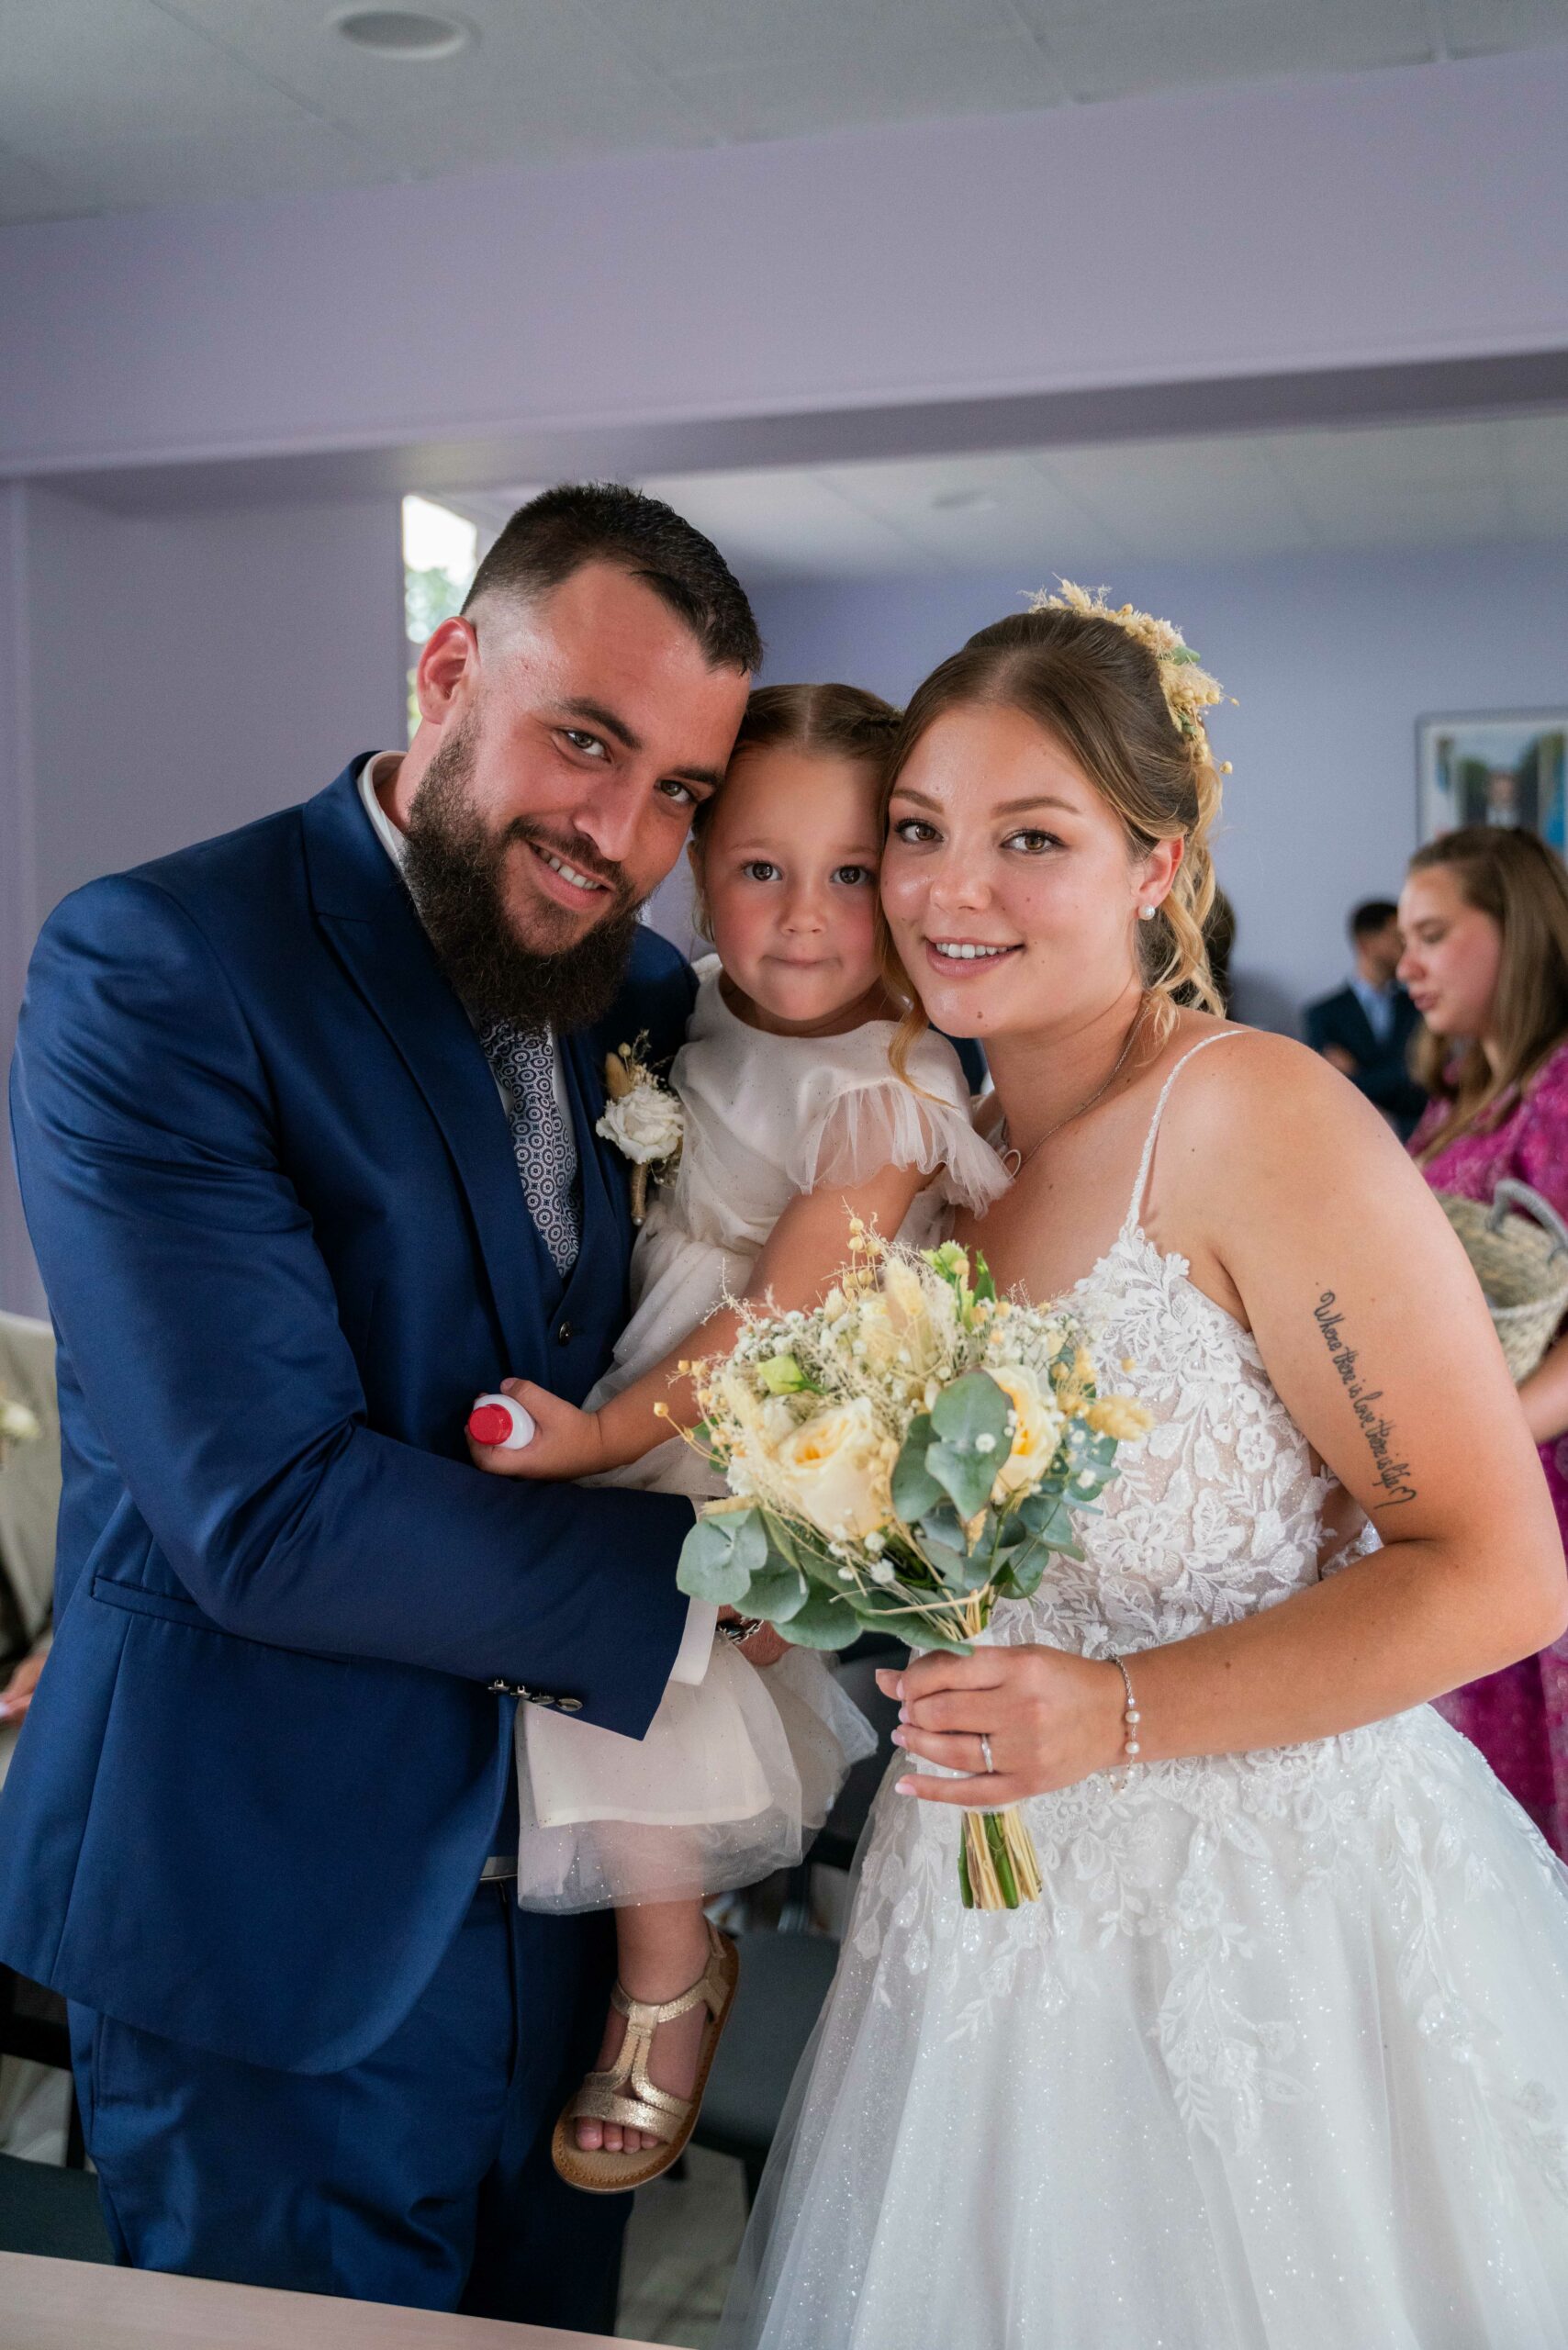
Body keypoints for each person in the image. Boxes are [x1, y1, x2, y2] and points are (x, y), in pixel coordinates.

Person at [720, 588, 1568, 2350]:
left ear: (1152, 869)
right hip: (980, 1929)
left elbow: (1495, 1571)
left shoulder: (1253, 1116)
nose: (951, 891)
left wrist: (1112, 1716)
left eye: (1030, 839)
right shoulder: (936, 1158)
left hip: (1264, 1940)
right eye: (917, 834)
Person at [0, 483, 772, 2326]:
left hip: (574, 1915)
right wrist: (714, 1582)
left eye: (677, 789)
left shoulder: (639, 994)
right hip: (271, 1911)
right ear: (446, 671)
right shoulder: (164, 963)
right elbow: (263, 1509)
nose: (619, 835)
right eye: (584, 741)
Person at [472, 683, 1003, 2193]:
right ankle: (651, 1944)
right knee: (590, 1658)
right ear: (699, 864)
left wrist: (595, 1440)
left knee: (641, 1662)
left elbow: (781, 1323)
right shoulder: (678, 1003)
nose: (806, 917)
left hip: (761, 1413)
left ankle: (668, 1978)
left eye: (852, 872)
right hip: (653, 1356)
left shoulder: (892, 1080)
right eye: (761, 867)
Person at [1400, 825, 1568, 1856]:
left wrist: (1475, 1443)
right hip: (1475, 1467)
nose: (1404, 964)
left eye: (1432, 935)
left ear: (1519, 931)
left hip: (1531, 1475)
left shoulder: (1560, 1093)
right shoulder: (1461, 1093)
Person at [1305, 898, 1426, 1137]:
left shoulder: (1421, 1005)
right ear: (1365, 944)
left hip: (1417, 1135)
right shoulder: (1321, 1015)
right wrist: (1401, 1072)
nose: (1406, 947)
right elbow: (1328, 1092)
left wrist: (1356, 1077)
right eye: (1397, 937)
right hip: (1349, 1140)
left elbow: (1421, 1077)